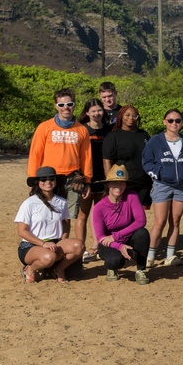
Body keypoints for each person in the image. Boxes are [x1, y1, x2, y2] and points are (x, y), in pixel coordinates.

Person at [27, 88, 93, 231]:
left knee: (65, 217)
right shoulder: (45, 127)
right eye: (61, 105)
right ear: (56, 106)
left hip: (72, 179)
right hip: (48, 179)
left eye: (69, 104)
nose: (66, 108)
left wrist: (87, 181)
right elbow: (35, 154)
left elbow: (86, 157)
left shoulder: (81, 129)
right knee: (46, 213)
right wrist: (32, 179)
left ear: (74, 105)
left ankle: (62, 249)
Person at [143, 108, 183, 267]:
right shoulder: (155, 140)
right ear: (164, 122)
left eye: (178, 120)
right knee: (160, 222)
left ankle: (170, 256)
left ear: (181, 123)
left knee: (175, 221)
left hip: (182, 186)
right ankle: (149, 256)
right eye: (170, 120)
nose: (174, 123)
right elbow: (146, 161)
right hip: (162, 185)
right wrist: (158, 173)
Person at [16, 166, 85, 284]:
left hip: (54, 242)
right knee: (49, 257)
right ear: (38, 182)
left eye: (51, 179)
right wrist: (43, 243)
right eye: (43, 179)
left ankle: (59, 269)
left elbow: (65, 223)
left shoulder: (62, 202)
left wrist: (62, 241)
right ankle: (30, 269)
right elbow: (22, 231)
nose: (48, 182)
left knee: (79, 246)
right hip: (31, 245)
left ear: (56, 181)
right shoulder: (29, 203)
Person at [92, 165, 151, 285]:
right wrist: (119, 246)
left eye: (122, 183)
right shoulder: (99, 207)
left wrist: (116, 236)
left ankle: (141, 270)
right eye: (115, 183)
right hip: (110, 243)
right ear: (108, 185)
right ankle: (112, 268)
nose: (118, 186)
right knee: (115, 261)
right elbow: (100, 237)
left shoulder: (132, 196)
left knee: (142, 233)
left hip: (123, 237)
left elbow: (141, 221)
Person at [75, 98, 110, 261]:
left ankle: (98, 245)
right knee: (83, 214)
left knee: (100, 213)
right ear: (87, 112)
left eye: (99, 110)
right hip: (87, 177)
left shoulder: (109, 131)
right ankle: (80, 248)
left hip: (104, 178)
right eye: (93, 110)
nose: (97, 113)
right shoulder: (82, 130)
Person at [102, 105, 152, 210]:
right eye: (127, 115)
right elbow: (107, 161)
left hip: (143, 183)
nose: (131, 118)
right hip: (123, 183)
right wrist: (110, 183)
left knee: (140, 216)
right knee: (123, 213)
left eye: (135, 115)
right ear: (121, 116)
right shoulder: (113, 136)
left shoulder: (144, 134)